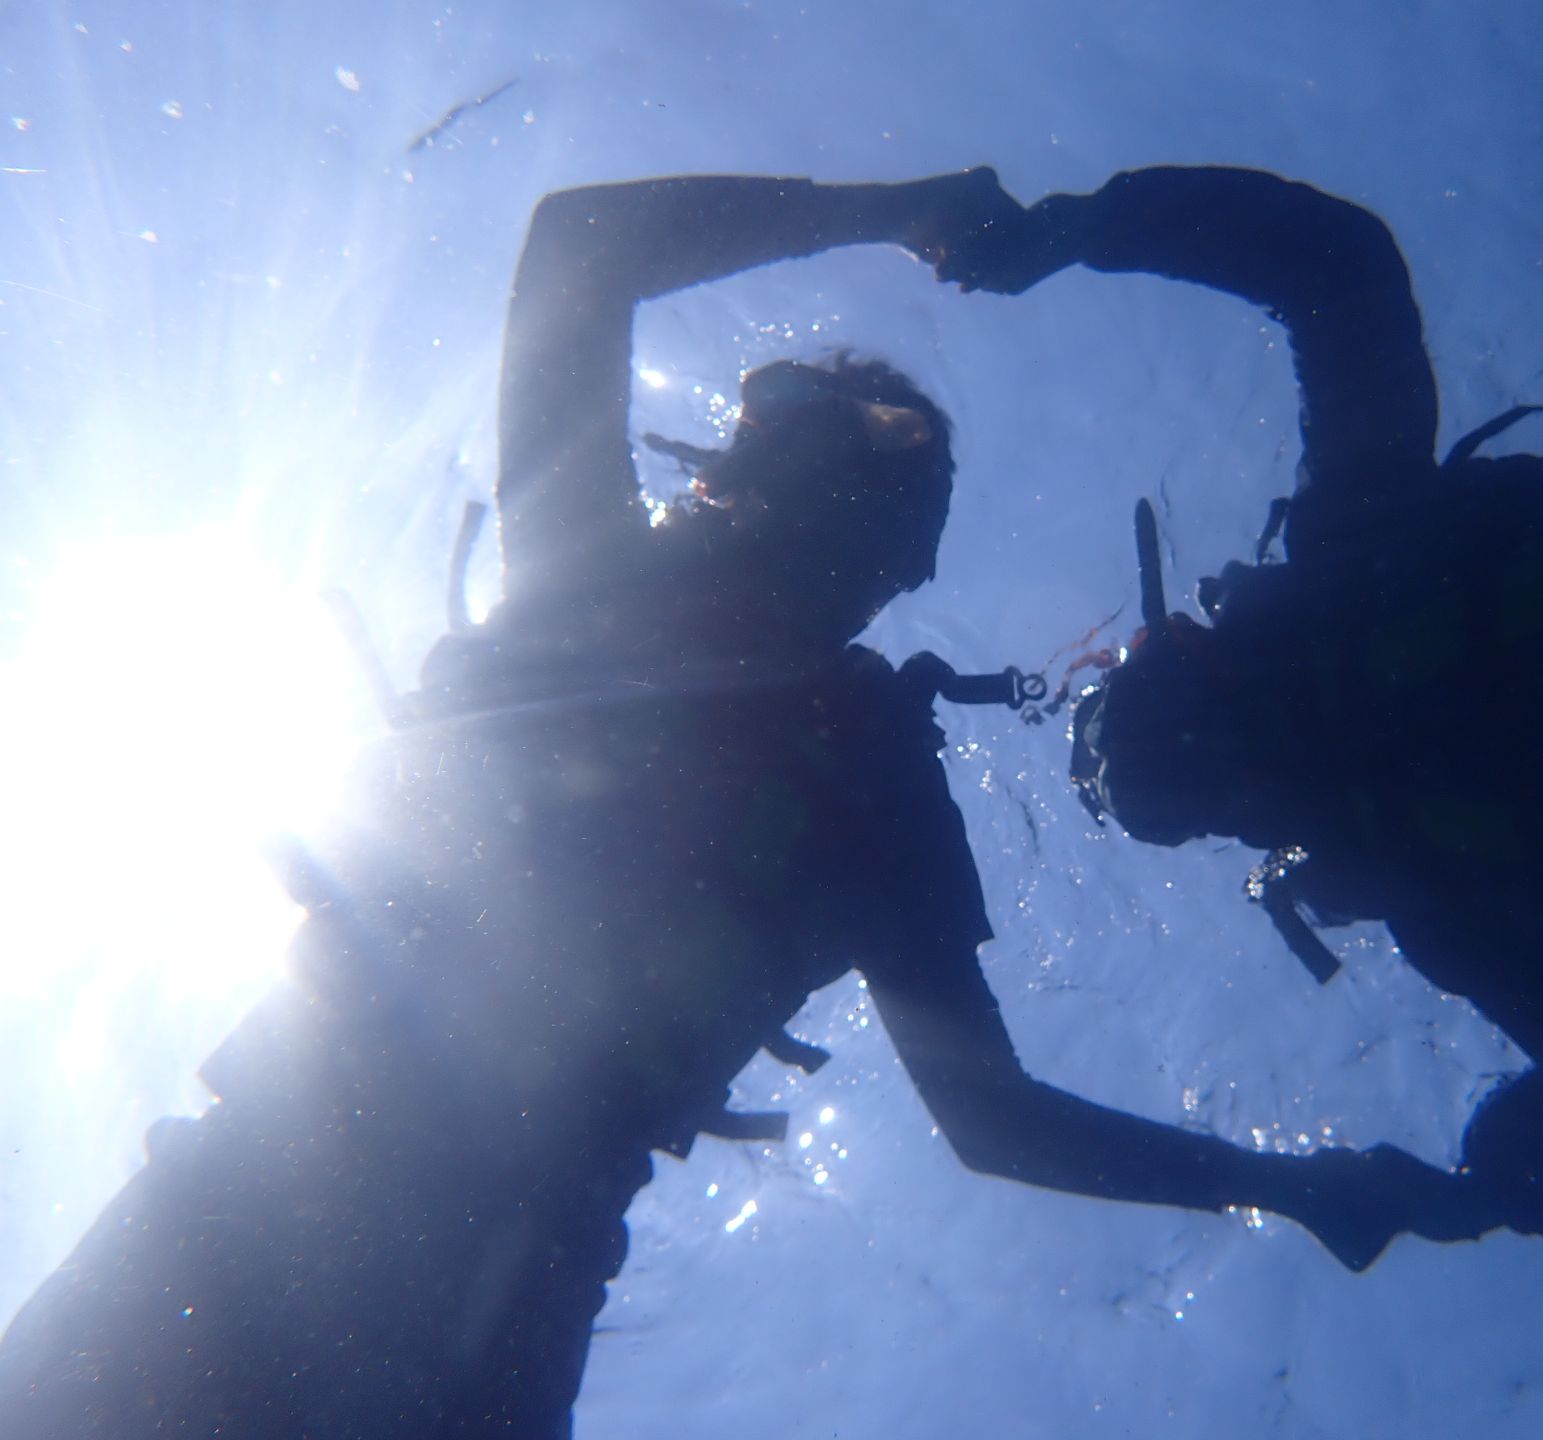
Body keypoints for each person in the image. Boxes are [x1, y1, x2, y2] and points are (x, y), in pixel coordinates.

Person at [0, 169, 1427, 1440]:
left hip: (294, 1230)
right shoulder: (799, 726)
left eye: (823, 438)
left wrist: (891, 211)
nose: (766, 461)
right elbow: (999, 1125)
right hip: (430, 1268)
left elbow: (579, 252)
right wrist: (1287, 1187)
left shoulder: (635, 622)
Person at [936, 164, 1543, 1260]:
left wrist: (1478, 1192)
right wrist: (1071, 228)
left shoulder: (1438, 895)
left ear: (1235, 818)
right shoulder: (1365, 550)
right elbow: (1335, 261)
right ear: (1193, 645)